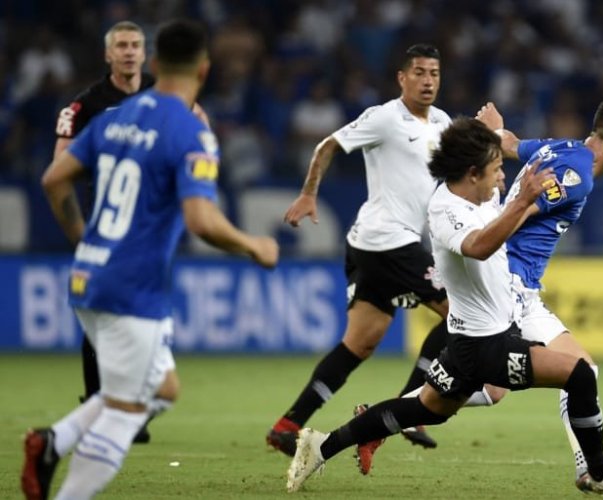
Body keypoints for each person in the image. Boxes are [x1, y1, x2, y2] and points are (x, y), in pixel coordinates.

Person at [285, 117, 603, 494]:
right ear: (473, 173)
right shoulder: (447, 211)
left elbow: (510, 154)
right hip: (488, 338)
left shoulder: (482, 191)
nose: (503, 179)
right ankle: (598, 471)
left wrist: (494, 134)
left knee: (427, 408)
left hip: (477, 334)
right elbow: (480, 245)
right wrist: (525, 200)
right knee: (579, 374)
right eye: (496, 171)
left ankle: (322, 444)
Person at [22, 20, 279, 500]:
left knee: (163, 389)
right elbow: (201, 221)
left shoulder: (110, 119)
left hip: (88, 276)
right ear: (203, 69)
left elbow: (53, 180)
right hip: (132, 286)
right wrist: (253, 245)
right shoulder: (191, 130)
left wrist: (82, 238)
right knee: (125, 411)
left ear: (154, 63)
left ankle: (53, 442)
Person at [268, 44, 455, 460]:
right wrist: (308, 194)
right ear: (402, 78)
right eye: (420, 73)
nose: (428, 81)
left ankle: (288, 424)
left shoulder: (443, 122)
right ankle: (412, 407)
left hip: (378, 245)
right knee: (460, 314)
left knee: (360, 343)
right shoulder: (385, 118)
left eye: (435, 74)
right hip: (388, 240)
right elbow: (327, 145)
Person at [475, 96, 603, 491]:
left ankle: (588, 468)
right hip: (510, 287)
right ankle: (394, 415)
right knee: (485, 386)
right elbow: (520, 212)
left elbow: (512, 145)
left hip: (522, 289)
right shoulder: (578, 175)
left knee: (572, 372)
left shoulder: (561, 148)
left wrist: (495, 129)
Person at [53, 20, 209, 444]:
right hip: (107, 225)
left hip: (151, 226)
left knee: (121, 311)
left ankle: (115, 407)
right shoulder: (86, 107)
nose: (127, 52)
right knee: (108, 318)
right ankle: (107, 401)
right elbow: (60, 167)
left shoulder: (164, 99)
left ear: (146, 55)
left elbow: (198, 131)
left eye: (135, 45)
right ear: (108, 54)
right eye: (120, 45)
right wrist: (81, 233)